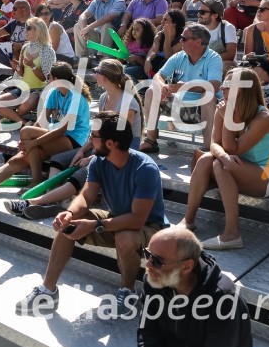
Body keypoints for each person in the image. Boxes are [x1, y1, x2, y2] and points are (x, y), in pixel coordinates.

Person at [15, 111, 168, 317]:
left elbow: (136, 219)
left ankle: (128, 293)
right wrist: (69, 213)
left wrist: (96, 226)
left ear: (111, 143)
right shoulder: (99, 161)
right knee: (68, 226)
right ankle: (47, 291)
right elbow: (86, 196)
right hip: (117, 217)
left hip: (150, 228)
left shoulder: (145, 168)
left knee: (125, 235)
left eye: (94, 136)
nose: (90, 140)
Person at [5, 59, 144, 219]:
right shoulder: (105, 98)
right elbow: (97, 133)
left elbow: (121, 139)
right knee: (58, 160)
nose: (94, 74)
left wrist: (92, 156)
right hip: (103, 145)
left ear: (105, 77)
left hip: (122, 151)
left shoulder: (127, 102)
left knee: (86, 169)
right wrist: (83, 151)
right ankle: (54, 201)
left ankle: (39, 202)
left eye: (97, 71)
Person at [177, 68, 269, 250]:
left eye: (228, 85)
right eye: (224, 85)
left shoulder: (264, 117)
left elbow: (233, 148)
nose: (223, 89)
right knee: (206, 160)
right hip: (237, 166)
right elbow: (214, 145)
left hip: (267, 176)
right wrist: (224, 155)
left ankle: (232, 234)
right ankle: (188, 220)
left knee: (219, 165)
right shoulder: (226, 109)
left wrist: (226, 119)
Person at [0, 61, 91, 197]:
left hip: (73, 141)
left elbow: (62, 130)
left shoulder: (76, 97)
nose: (47, 80)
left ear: (56, 79)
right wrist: (28, 142)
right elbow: (40, 122)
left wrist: (33, 142)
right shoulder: (54, 93)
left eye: (49, 77)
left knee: (26, 131)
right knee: (15, 160)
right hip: (53, 137)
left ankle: (36, 180)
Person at [133, 228, 253, 347]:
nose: (148, 265)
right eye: (147, 254)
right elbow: (147, 334)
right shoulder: (155, 280)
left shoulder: (223, 299)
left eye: (157, 261)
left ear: (187, 266)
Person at [140, 24, 223, 154]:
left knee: (208, 96)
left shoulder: (214, 58)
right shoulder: (180, 56)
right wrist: (164, 87)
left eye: (184, 38)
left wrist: (185, 86)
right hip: (178, 104)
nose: (180, 41)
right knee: (152, 91)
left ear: (198, 41)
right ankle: (151, 141)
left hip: (201, 108)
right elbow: (158, 76)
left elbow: (214, 85)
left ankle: (208, 148)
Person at [0, 17, 55, 124]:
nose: (25, 30)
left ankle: (10, 117)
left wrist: (32, 66)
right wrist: (16, 67)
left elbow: (45, 78)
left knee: (23, 108)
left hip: (38, 90)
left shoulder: (47, 50)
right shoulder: (25, 47)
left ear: (38, 30)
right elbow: (21, 72)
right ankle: (23, 122)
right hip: (22, 88)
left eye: (28, 28)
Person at [196, 0, 236, 71]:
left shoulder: (228, 28)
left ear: (215, 16)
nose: (198, 15)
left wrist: (206, 60)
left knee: (227, 65)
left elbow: (230, 55)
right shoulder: (196, 28)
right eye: (199, 11)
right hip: (199, 63)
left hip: (217, 63)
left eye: (202, 12)